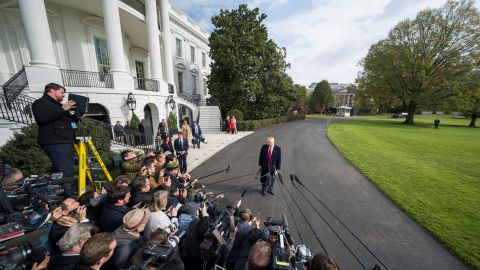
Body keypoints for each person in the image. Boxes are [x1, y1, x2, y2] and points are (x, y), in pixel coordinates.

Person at [31, 83, 76, 178]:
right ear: (52, 91)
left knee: (58, 171)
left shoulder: (58, 105)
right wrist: (63, 109)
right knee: (66, 172)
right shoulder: (40, 102)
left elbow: (68, 120)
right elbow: (42, 118)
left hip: (63, 140)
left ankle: (57, 191)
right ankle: (68, 192)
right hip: (56, 141)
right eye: (62, 92)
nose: (64, 95)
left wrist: (76, 114)